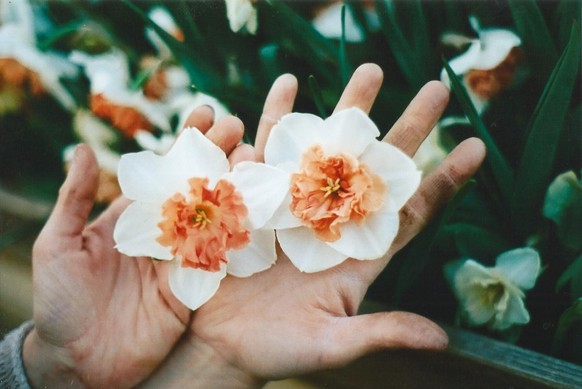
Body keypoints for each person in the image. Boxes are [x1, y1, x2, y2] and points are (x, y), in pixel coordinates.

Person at [0, 64, 486, 388]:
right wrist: (62, 364)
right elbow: (162, 239)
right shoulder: (189, 232)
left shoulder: (232, 185)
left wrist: (56, 369)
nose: (197, 218)